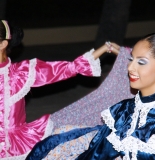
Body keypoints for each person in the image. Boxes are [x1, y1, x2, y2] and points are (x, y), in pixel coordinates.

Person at [27, 33, 155, 160]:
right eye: (131, 59)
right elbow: (96, 153)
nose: (130, 67)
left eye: (141, 62)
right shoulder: (122, 111)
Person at [0, 20, 119, 159]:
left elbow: (68, 68)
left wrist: (104, 49)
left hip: (17, 144)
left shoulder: (22, 72)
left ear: (3, 44)